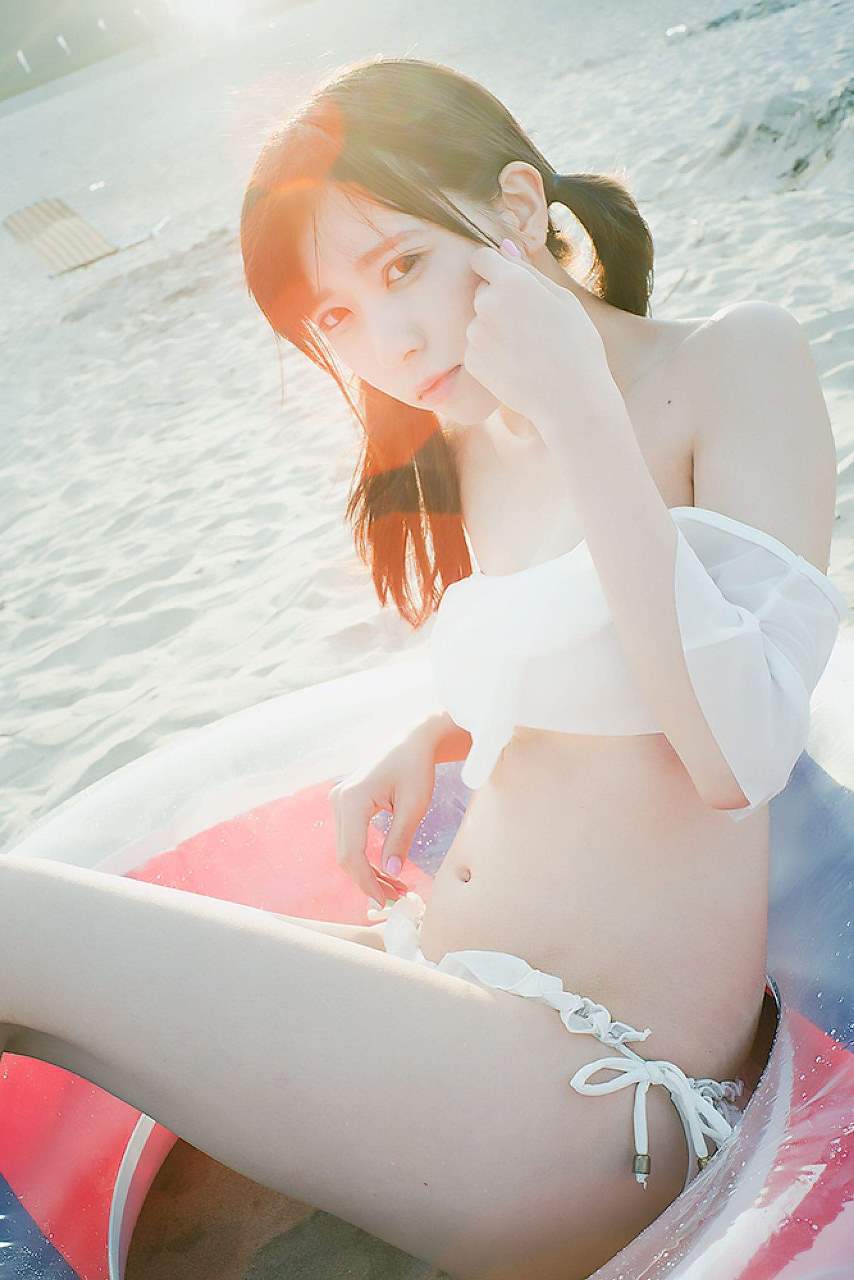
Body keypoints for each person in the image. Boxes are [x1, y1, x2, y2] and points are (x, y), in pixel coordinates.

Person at [1, 55, 844, 1280]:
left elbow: (735, 750)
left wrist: (580, 412)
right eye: (334, 318)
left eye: (399, 265)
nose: (385, 343)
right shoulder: (473, 444)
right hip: (456, 986)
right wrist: (440, 726)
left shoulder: (731, 361)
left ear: (515, 207)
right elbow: (597, 660)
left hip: (598, 1089)